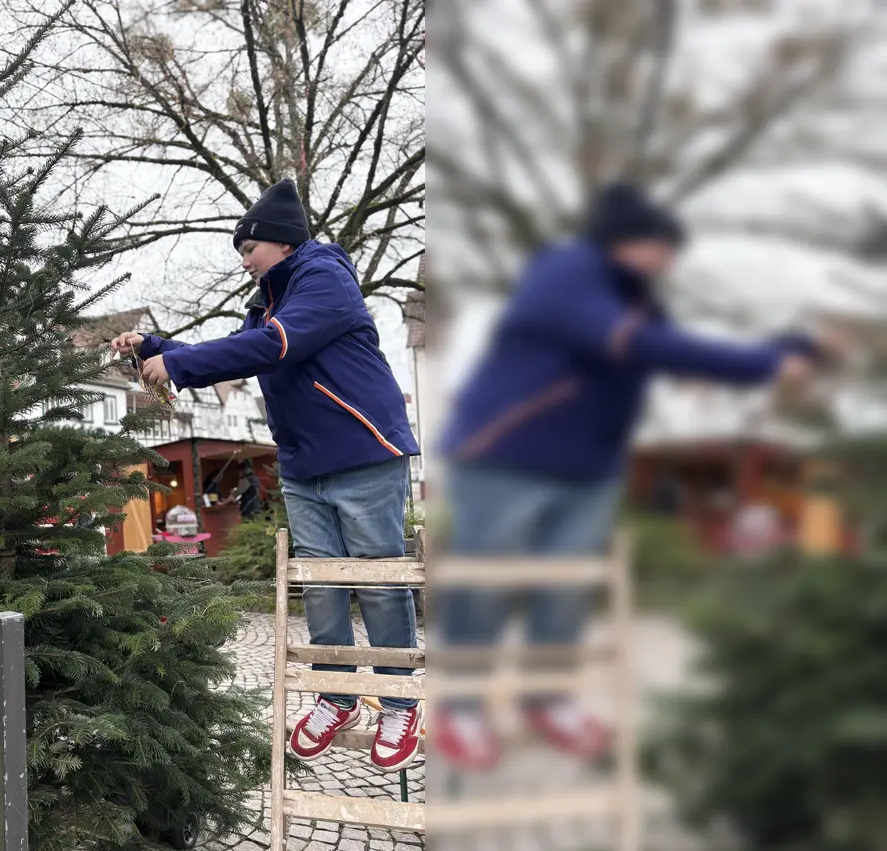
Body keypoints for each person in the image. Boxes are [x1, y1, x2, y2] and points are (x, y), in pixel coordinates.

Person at [432, 181, 831, 771]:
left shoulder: (637, 296)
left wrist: (799, 349)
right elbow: (642, 346)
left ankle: (547, 698)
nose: (667, 261)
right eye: (660, 247)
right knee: (486, 582)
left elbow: (678, 349)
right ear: (623, 240)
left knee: (567, 587)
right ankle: (462, 708)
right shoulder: (566, 271)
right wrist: (768, 363)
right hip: (506, 455)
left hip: (590, 468)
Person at [111, 179, 423, 771]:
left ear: (282, 243)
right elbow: (240, 351)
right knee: (321, 584)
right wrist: (155, 346)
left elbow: (273, 347)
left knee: (378, 580)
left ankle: (400, 702)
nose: (244, 261)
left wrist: (175, 362)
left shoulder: (324, 279)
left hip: (363, 453)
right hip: (304, 466)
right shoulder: (266, 305)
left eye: (248, 248)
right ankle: (336, 696)